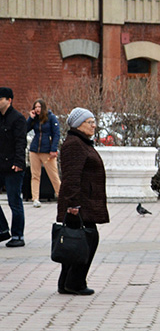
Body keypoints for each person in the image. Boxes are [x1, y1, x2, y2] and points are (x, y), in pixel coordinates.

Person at [56, 107, 109, 295]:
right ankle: (75, 283)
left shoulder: (82, 142)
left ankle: (66, 283)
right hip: (79, 204)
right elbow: (71, 177)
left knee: (74, 241)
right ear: (78, 124)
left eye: (94, 121)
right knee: (87, 240)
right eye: (90, 122)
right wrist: (72, 204)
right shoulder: (75, 144)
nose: (94, 125)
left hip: (83, 201)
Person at [0, 86, 27, 247]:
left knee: (14, 201)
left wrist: (18, 162)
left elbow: (20, 142)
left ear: (9, 100)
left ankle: (18, 235)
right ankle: (2, 230)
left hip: (13, 167)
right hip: (0, 165)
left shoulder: (18, 119)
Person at [26, 98, 62, 207]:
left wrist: (53, 149)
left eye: (39, 107)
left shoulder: (51, 118)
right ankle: (35, 198)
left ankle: (61, 195)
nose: (37, 109)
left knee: (53, 174)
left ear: (43, 107)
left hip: (47, 150)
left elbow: (56, 134)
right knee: (35, 175)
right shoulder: (34, 119)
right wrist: (30, 119)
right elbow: (25, 129)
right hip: (35, 150)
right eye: (35, 107)